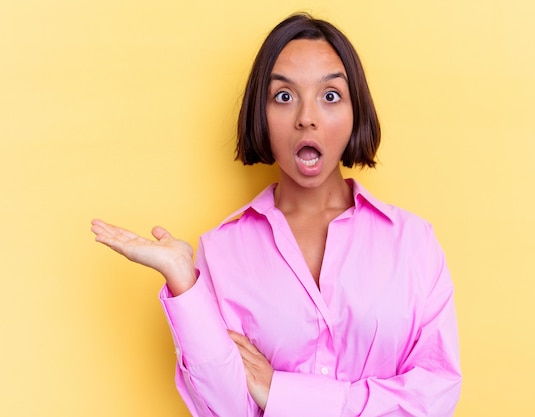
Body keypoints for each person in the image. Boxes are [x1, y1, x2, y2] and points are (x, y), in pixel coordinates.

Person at [91, 13, 461, 417]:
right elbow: (226, 408)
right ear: (260, 115)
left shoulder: (413, 242)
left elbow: (433, 399)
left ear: (357, 111)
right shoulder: (221, 252)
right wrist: (184, 284)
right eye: (284, 96)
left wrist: (282, 393)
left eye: (330, 95)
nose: (306, 116)